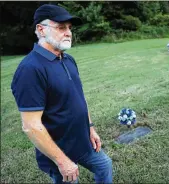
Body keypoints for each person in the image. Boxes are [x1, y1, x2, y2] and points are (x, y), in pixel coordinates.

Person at [11, 4, 112, 184]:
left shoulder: (67, 59)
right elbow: (31, 126)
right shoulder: (30, 69)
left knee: (104, 166)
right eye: (61, 27)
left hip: (82, 143)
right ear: (41, 30)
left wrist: (91, 127)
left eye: (69, 28)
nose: (68, 33)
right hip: (59, 152)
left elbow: (79, 97)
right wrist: (62, 161)